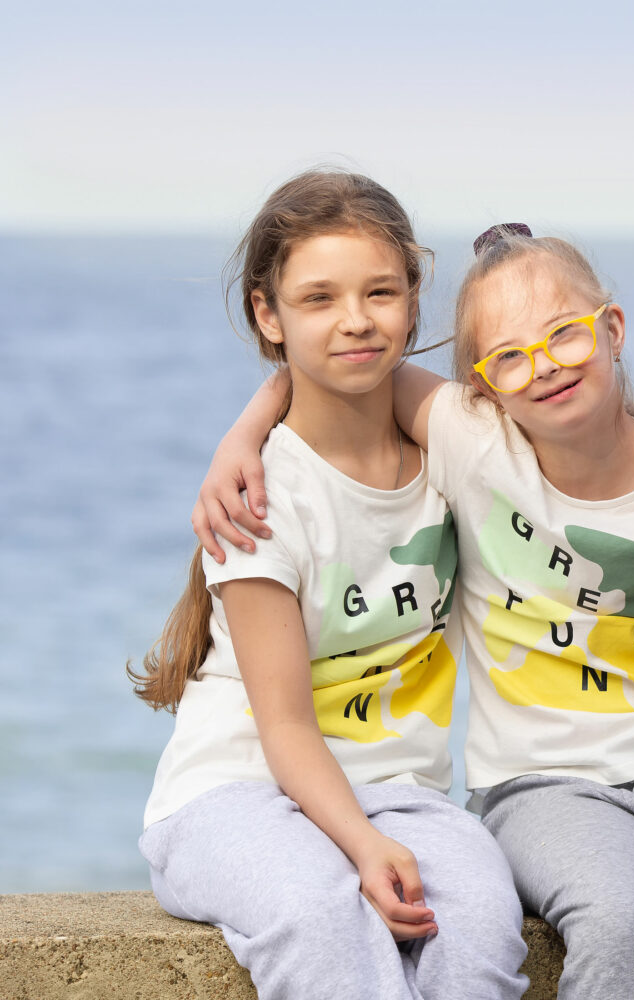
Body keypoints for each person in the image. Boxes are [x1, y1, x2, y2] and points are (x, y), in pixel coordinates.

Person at [197, 224, 634, 999]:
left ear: (612, 330)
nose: (547, 368)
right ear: (485, 386)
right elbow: (347, 364)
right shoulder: (475, 443)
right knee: (619, 925)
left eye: (567, 337)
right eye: (511, 357)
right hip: (542, 788)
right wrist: (243, 434)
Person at [131, 171, 529, 1000]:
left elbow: (568, 434)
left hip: (402, 793)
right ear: (267, 315)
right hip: (231, 796)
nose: (355, 319)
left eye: (380, 292)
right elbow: (281, 727)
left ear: (414, 302)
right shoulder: (258, 498)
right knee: (323, 918)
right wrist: (360, 844)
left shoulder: (450, 453)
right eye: (317, 299)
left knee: (485, 926)